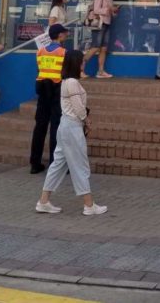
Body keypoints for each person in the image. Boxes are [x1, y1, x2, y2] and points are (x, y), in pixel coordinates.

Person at [35, 50, 107, 216]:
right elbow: (78, 107)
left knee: (58, 164)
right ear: (76, 63)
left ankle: (44, 201)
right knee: (79, 165)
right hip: (72, 127)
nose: (84, 63)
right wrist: (86, 121)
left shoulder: (66, 81)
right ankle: (89, 205)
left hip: (66, 126)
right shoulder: (72, 82)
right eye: (82, 61)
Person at [31, 24, 68, 174]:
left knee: (40, 127)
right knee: (56, 127)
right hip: (56, 90)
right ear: (59, 35)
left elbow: (40, 70)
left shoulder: (40, 52)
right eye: (64, 34)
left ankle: (35, 163)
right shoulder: (63, 52)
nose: (66, 36)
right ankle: (56, 163)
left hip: (42, 90)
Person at [83, 0, 119, 79]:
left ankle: (101, 71)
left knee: (104, 48)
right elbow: (96, 10)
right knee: (95, 46)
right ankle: (80, 68)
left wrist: (114, 11)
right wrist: (109, 9)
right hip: (99, 25)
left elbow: (110, 12)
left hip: (107, 23)